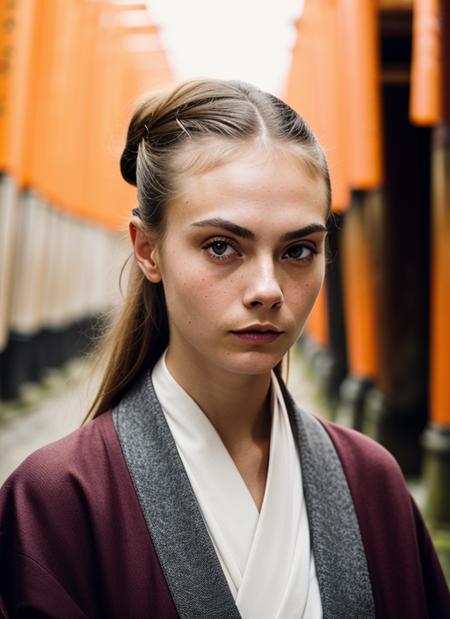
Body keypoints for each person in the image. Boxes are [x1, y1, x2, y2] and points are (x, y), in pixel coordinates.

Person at [0, 79, 449, 619]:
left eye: (299, 249)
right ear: (148, 250)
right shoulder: (59, 498)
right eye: (221, 246)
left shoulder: (371, 480)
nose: (268, 288)